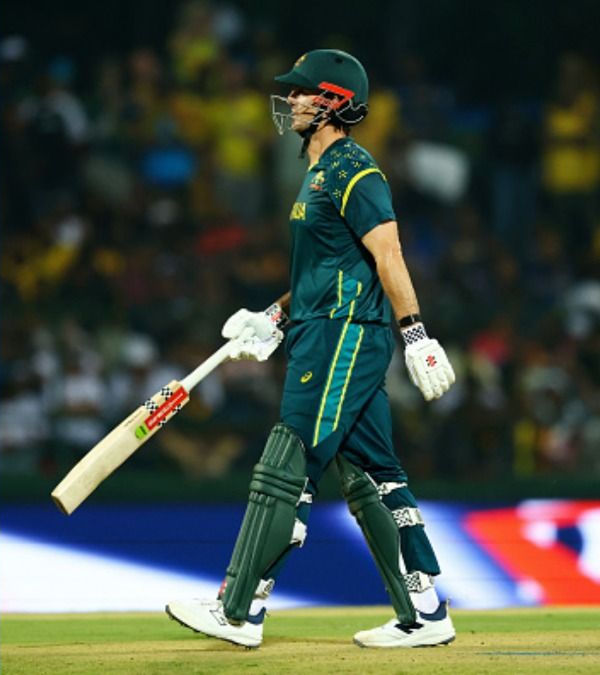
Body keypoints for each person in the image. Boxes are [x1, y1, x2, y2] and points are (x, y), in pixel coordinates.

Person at [165, 49, 457, 649]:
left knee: (287, 461)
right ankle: (425, 612)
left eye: (304, 93)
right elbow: (327, 268)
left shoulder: (356, 170)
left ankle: (240, 608)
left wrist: (417, 334)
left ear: (335, 103)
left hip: (343, 336)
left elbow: (389, 253)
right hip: (325, 327)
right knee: (374, 475)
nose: (292, 100)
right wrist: (274, 313)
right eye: (293, 92)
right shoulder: (319, 173)